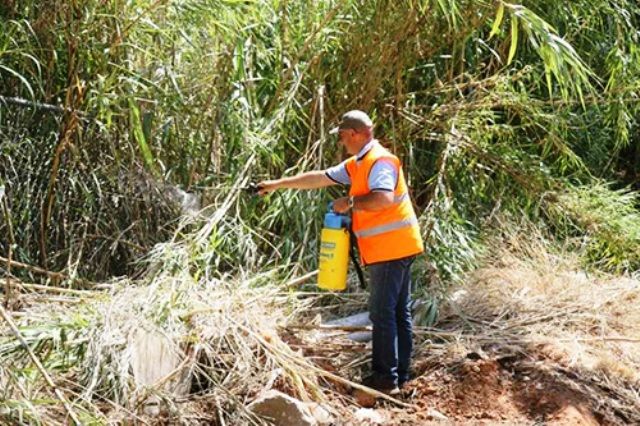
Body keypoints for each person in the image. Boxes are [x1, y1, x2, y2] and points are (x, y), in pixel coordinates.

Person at [258, 110, 424, 395]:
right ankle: (400, 374)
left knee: (382, 312)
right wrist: (277, 185)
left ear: (356, 133)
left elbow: (383, 199)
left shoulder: (379, 161)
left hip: (391, 248)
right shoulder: (359, 163)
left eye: (343, 137)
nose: (341, 143)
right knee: (397, 312)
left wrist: (349, 202)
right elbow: (320, 178)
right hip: (397, 245)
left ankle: (385, 379)